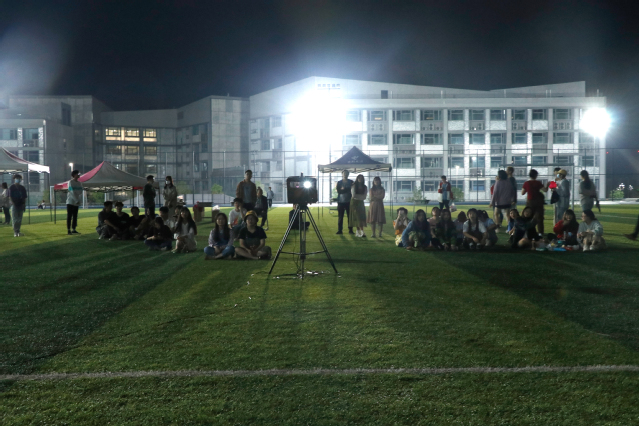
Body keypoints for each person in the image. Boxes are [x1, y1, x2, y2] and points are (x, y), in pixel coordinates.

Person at [521, 169, 547, 236]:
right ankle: (540, 232)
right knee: (539, 217)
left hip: (530, 201)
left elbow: (522, 193)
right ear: (536, 175)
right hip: (538, 202)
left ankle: (529, 231)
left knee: (528, 216)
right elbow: (545, 190)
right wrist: (547, 185)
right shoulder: (538, 183)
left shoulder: (526, 183)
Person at [336, 170, 354, 235]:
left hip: (349, 202)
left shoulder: (351, 182)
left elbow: (352, 190)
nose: (345, 174)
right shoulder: (339, 182)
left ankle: (350, 230)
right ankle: (340, 230)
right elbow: (339, 191)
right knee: (340, 217)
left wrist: (343, 189)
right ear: (342, 174)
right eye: (344, 173)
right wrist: (346, 190)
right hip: (341, 201)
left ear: (348, 174)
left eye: (346, 173)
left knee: (350, 217)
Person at [66, 170, 83, 235]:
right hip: (70, 201)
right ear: (74, 175)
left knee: (75, 216)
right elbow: (71, 192)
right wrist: (76, 199)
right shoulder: (70, 182)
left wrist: (77, 199)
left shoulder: (79, 183)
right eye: (77, 174)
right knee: (69, 216)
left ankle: (74, 229)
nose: (79, 175)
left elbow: (80, 191)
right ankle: (68, 229)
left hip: (76, 202)